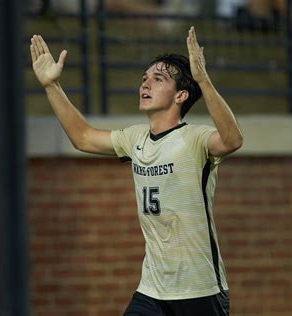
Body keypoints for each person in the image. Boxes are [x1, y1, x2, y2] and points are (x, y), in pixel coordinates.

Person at [30, 26, 243, 315]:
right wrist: (51, 86)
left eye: (158, 79)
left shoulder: (194, 138)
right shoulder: (135, 138)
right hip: (152, 289)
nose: (145, 84)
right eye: (144, 78)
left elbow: (232, 139)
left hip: (200, 289)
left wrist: (203, 79)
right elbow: (82, 137)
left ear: (181, 95)